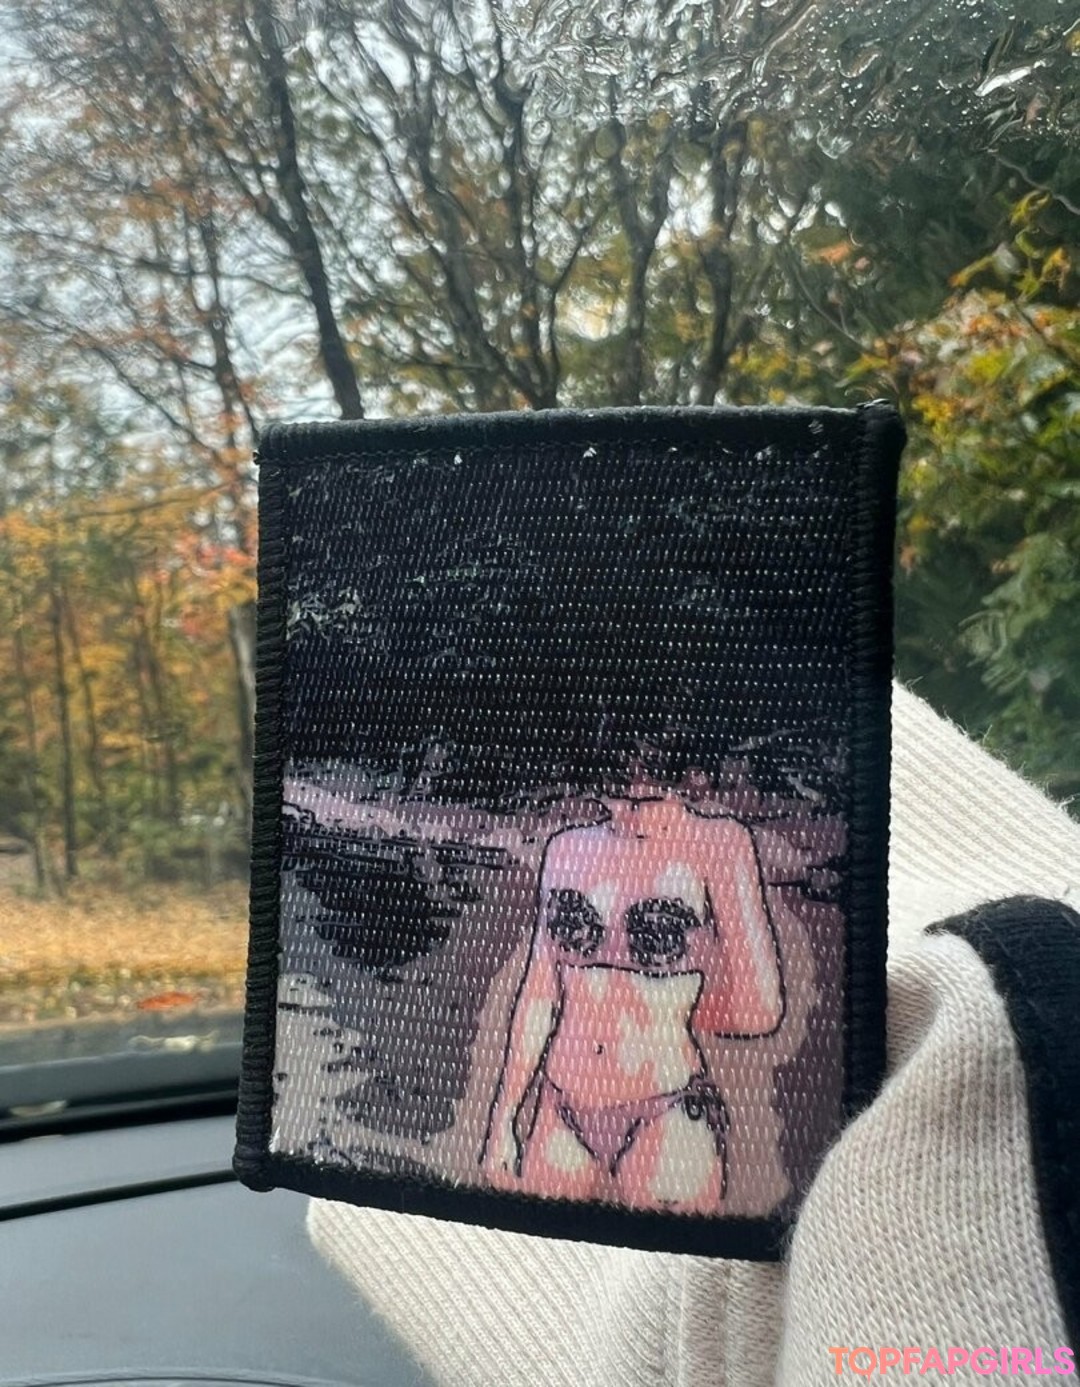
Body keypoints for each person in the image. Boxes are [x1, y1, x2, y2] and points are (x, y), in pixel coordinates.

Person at [307, 681, 1080, 1385]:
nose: (622, 792)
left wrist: (666, 990)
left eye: (641, 765)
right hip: (559, 1108)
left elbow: (760, 1009)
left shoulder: (720, 847)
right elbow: (540, 994)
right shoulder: (571, 845)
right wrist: (507, 1119)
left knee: (673, 1324)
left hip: (666, 1110)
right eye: (607, 765)